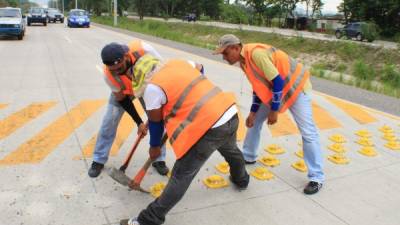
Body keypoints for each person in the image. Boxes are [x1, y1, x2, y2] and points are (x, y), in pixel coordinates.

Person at [120, 55, 249, 225]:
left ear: (141, 78)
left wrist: (155, 147)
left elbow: (156, 123)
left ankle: (148, 220)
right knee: (231, 150)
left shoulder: (152, 88)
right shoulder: (177, 62)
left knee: (181, 176)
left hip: (207, 128)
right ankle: (242, 180)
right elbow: (200, 67)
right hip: (228, 113)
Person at [214, 34, 324, 195]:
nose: (224, 57)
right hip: (278, 91)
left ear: (236, 48)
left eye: (225, 53)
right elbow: (259, 87)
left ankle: (317, 177)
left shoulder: (256, 54)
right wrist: (253, 112)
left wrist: (274, 110)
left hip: (296, 88)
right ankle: (249, 156)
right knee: (253, 122)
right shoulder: (244, 62)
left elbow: (278, 81)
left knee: (308, 132)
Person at [88, 41, 170, 178]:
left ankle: (159, 159)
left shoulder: (144, 49)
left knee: (159, 121)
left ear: (126, 56)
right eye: (112, 70)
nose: (116, 72)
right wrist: (139, 122)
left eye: (119, 68)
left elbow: (161, 71)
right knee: (108, 123)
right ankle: (98, 159)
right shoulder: (108, 74)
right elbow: (122, 100)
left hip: (146, 88)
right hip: (124, 92)